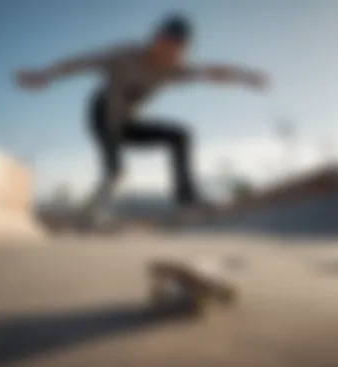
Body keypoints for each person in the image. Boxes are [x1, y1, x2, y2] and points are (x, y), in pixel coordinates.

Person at [16, 14, 269, 225]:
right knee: (115, 171)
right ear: (155, 40)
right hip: (102, 115)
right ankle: (88, 215)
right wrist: (44, 75)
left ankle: (187, 202)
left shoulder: (176, 70)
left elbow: (211, 72)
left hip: (128, 124)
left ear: (182, 51)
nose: (167, 53)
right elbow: (81, 62)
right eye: (164, 44)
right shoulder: (125, 55)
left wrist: (245, 77)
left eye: (176, 49)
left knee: (180, 135)